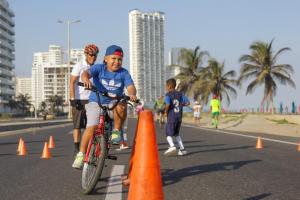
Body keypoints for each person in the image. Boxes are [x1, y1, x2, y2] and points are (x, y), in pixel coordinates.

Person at [72, 45, 137, 169]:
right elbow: (85, 73)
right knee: (91, 127)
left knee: (122, 103)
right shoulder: (99, 68)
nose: (116, 62)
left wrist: (132, 93)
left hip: (114, 103)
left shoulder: (124, 72)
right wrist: (86, 80)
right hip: (96, 101)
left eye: (119, 59)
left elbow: (130, 86)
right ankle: (80, 154)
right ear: (106, 59)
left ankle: (116, 131)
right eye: (113, 58)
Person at [69, 44, 99, 156]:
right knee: (77, 126)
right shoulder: (79, 66)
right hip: (79, 99)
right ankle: (77, 147)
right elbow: (72, 82)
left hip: (91, 99)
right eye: (91, 55)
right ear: (86, 54)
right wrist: (72, 99)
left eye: (95, 55)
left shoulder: (95, 68)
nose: (93, 57)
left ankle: (89, 146)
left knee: (91, 125)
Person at [164, 78, 190, 156]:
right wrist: (181, 105)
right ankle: (182, 149)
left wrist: (166, 112)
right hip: (179, 117)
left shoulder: (168, 95)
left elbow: (168, 104)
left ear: (169, 86)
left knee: (168, 134)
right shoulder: (180, 94)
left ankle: (172, 146)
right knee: (176, 134)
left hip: (172, 117)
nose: (166, 88)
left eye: (166, 86)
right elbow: (188, 103)